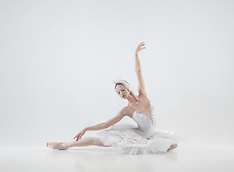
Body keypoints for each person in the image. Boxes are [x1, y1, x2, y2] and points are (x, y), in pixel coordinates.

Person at [46, 42, 180, 154]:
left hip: (150, 134)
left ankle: (67, 144)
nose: (121, 93)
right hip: (138, 136)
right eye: (118, 92)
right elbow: (105, 124)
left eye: (122, 90)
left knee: (174, 145)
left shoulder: (143, 94)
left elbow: (138, 72)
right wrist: (86, 128)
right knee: (99, 141)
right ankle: (66, 145)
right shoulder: (126, 110)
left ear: (128, 88)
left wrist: (136, 54)